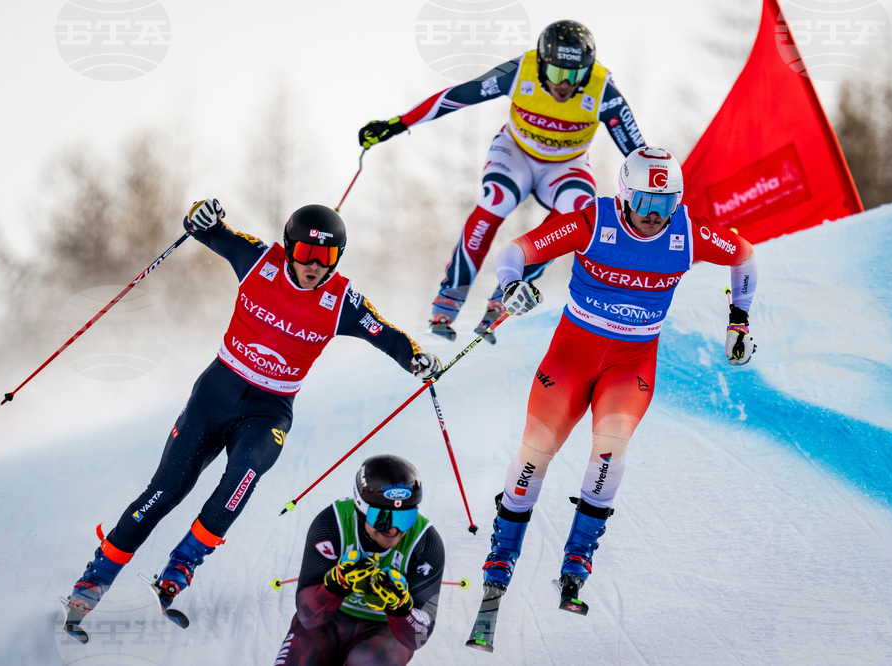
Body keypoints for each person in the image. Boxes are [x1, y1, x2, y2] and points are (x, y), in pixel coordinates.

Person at [62, 201, 441, 642]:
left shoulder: (342, 300)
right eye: (306, 253)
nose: (314, 265)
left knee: (241, 479)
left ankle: (180, 568)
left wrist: (416, 359)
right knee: (166, 491)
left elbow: (388, 335)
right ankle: (93, 581)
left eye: (326, 257)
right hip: (215, 395)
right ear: (289, 247)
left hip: (268, 412)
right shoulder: (258, 260)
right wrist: (200, 214)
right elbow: (206, 229)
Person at [481, 147, 758, 608]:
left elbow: (744, 256)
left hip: (631, 366)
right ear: (625, 195)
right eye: (645, 202)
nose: (655, 215)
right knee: (536, 452)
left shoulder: (688, 233)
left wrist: (740, 319)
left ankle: (578, 556)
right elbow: (516, 251)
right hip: (571, 359)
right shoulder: (593, 222)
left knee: (609, 449)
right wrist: (512, 284)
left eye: (666, 203)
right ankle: (502, 553)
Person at [359, 20, 646, 342]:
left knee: (579, 209)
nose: (564, 84)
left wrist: (662, 200)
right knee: (498, 198)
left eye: (575, 75)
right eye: (555, 73)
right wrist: (398, 124)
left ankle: (508, 291)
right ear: (541, 64)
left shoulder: (602, 91)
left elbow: (639, 155)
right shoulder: (520, 71)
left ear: (588, 71)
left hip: (566, 165)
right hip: (515, 153)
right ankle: (449, 299)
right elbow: (457, 96)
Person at [273, 455, 444, 666]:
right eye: (382, 519)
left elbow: (417, 638)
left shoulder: (426, 542)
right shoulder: (332, 523)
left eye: (405, 518)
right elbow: (308, 617)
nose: (393, 530)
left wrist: (400, 607)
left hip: (384, 631)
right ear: (361, 510)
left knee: (368, 661)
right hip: (328, 622)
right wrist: (336, 585)